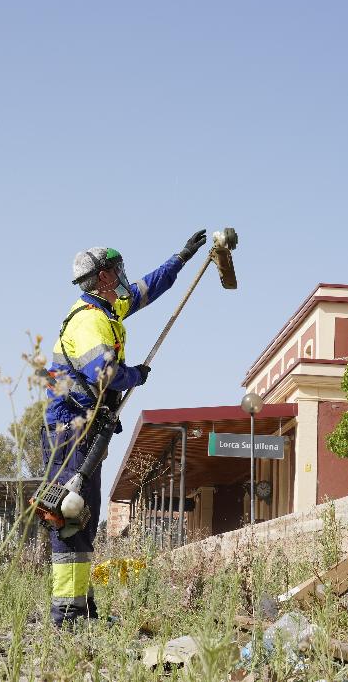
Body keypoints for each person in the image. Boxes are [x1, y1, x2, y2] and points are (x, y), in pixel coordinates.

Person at [42, 230, 207, 626]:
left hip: (88, 427)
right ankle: (66, 613)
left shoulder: (109, 310)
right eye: (116, 270)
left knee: (85, 515)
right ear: (101, 277)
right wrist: (137, 375)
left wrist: (182, 258)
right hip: (70, 428)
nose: (122, 277)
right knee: (68, 514)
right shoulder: (89, 322)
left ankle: (82, 607)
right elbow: (104, 373)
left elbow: (149, 287)